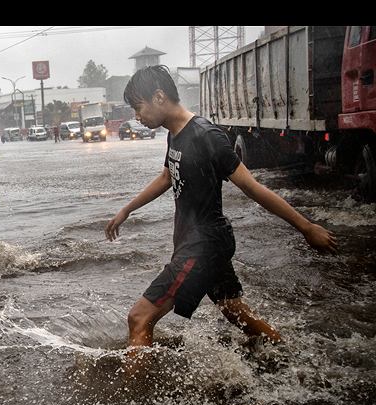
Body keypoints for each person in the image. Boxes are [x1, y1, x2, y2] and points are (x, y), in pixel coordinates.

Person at [105, 65, 337, 354]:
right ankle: (292, 356)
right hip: (203, 241)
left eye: (138, 108)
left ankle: (137, 398)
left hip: (203, 244)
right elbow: (167, 176)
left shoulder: (206, 136)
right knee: (236, 314)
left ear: (160, 97)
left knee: (139, 318)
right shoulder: (174, 133)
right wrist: (127, 210)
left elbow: (252, 187)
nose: (137, 117)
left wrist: (306, 227)